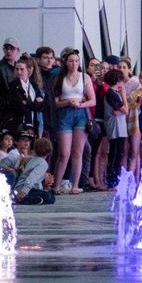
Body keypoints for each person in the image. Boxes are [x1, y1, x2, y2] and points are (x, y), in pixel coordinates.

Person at [51, 48, 95, 195]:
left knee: (78, 152)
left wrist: (80, 104)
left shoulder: (85, 77)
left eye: (76, 61)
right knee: (64, 153)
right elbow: (55, 102)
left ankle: (75, 185)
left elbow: (92, 100)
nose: (74, 63)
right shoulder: (59, 78)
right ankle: (56, 185)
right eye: (71, 61)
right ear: (65, 62)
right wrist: (68, 102)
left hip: (81, 114)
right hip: (65, 114)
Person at [14, 137, 56, 205]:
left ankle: (32, 199)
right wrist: (24, 192)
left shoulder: (32, 159)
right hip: (26, 189)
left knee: (51, 195)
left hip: (20, 188)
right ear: (49, 151)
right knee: (48, 197)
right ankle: (25, 199)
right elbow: (32, 177)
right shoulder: (43, 163)